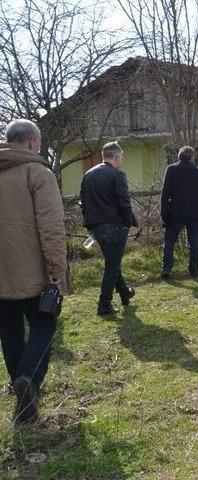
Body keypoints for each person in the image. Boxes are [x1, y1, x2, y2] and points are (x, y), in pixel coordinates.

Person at [0, 119, 67, 423]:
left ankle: (21, 392)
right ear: (31, 142)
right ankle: (28, 378)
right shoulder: (38, 173)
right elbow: (51, 227)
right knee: (44, 324)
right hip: (32, 271)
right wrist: (57, 269)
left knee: (9, 330)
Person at [81, 141, 138, 316]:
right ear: (116, 156)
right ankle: (104, 304)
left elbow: (83, 201)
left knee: (113, 262)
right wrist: (128, 222)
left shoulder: (88, 175)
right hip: (115, 226)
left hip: (96, 226)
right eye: (121, 157)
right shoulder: (117, 175)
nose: (121, 160)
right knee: (112, 266)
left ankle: (124, 293)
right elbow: (124, 202)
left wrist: (90, 224)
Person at [160, 146, 198, 279]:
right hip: (194, 212)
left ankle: (166, 268)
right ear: (192, 157)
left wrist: (163, 213)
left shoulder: (171, 169)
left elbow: (165, 194)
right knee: (194, 243)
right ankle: (194, 270)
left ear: (179, 156)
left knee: (169, 241)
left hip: (175, 212)